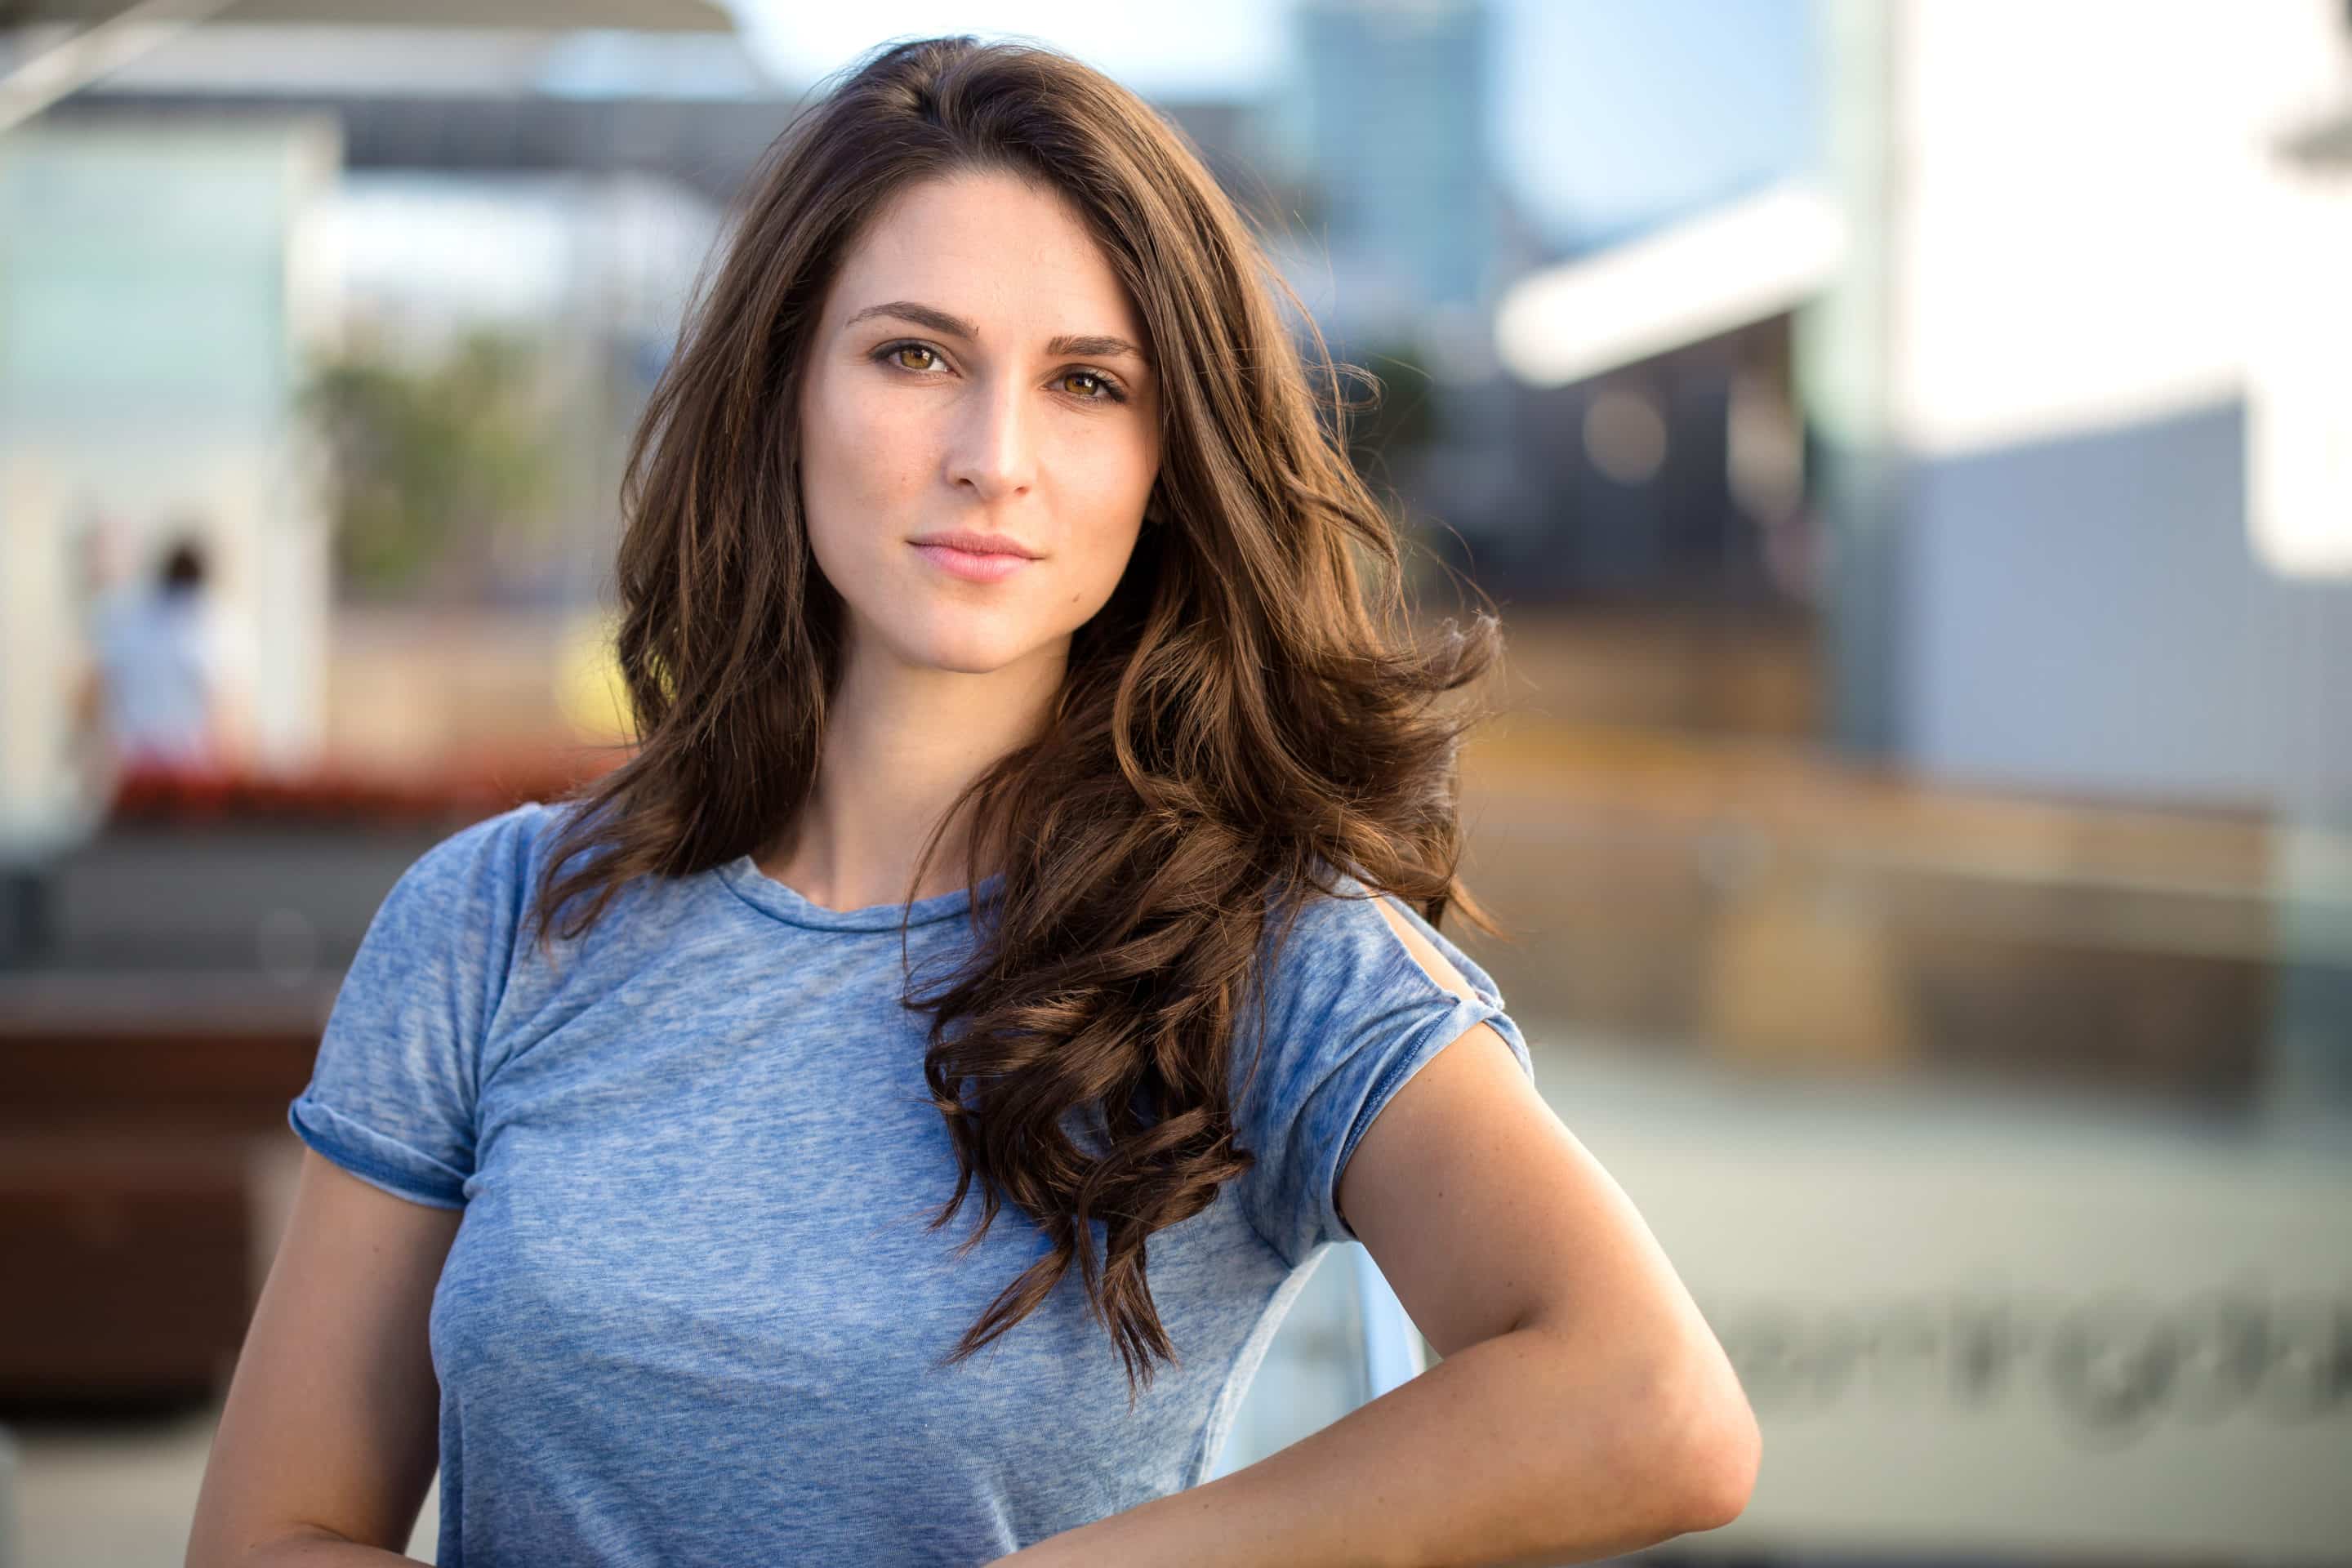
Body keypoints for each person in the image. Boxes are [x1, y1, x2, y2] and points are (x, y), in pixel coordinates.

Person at [187, 36, 1757, 1568]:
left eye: (1087, 383)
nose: (992, 455)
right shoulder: (495, 919)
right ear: (782, 389)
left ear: (1166, 460)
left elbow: (1653, 1405)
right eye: (915, 355)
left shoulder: (1265, 958)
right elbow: (272, 1531)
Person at [78, 528, 241, 780]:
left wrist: (91, 748)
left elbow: (93, 690)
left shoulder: (124, 617)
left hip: (135, 763)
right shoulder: (213, 622)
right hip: (189, 769)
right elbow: (224, 704)